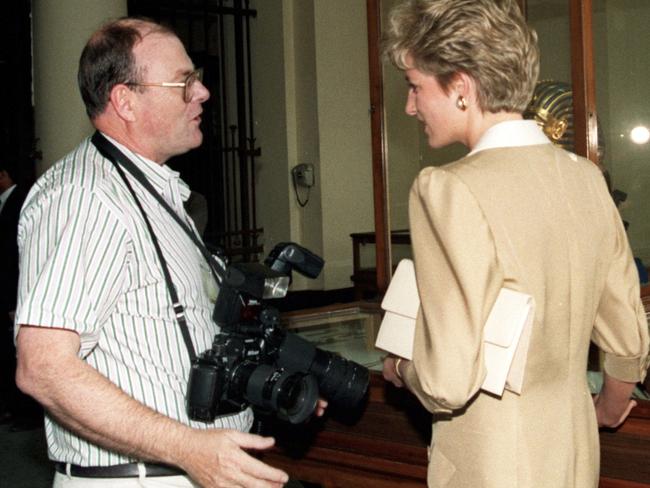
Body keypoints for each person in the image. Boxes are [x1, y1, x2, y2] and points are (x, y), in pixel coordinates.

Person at [15, 17, 321, 488]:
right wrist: (186, 448)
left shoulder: (152, 191)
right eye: (184, 82)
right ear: (125, 101)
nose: (202, 94)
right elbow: (44, 368)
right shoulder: (87, 197)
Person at [380, 1, 649, 487]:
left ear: (460, 87)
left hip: (492, 464)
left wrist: (401, 365)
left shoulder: (448, 188)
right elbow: (626, 337)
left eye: (415, 87)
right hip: (575, 455)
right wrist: (609, 409)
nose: (410, 106)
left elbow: (447, 380)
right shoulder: (587, 179)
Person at [0, 159, 29, 426]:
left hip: (16, 292)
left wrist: (11, 301)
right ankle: (15, 408)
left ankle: (24, 413)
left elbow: (15, 257)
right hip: (9, 292)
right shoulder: (8, 202)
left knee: (19, 352)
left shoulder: (21, 200)